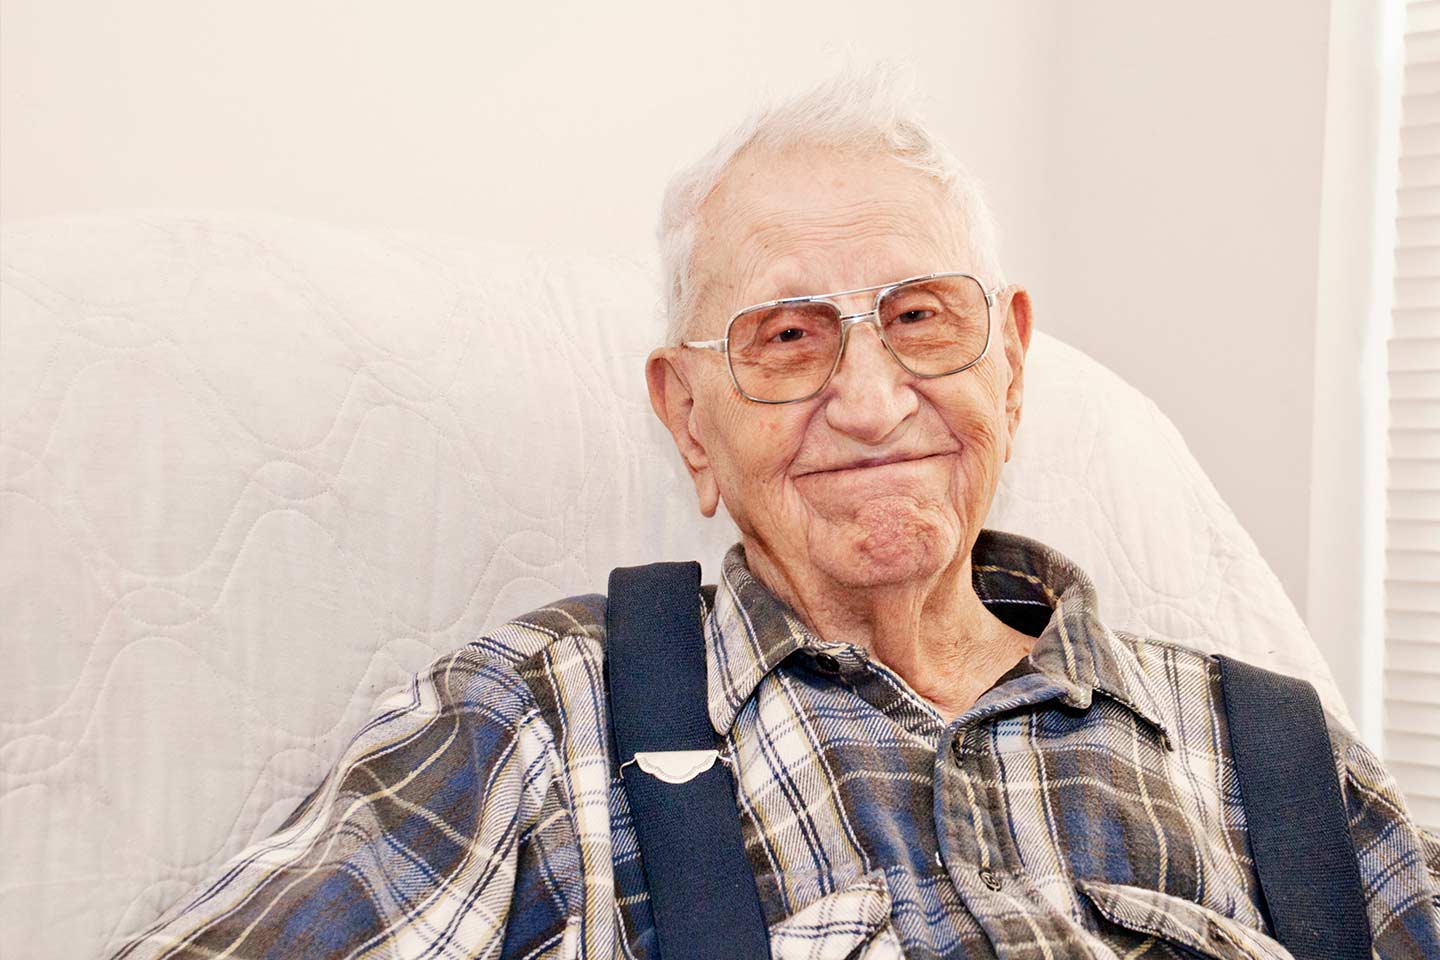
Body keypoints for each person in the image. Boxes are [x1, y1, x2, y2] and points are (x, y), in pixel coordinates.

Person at [113, 67, 1439, 960]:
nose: (872, 401)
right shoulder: (540, 718)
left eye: (922, 317)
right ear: (690, 420)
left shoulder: (1276, 760)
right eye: (788, 338)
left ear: (1012, 363)